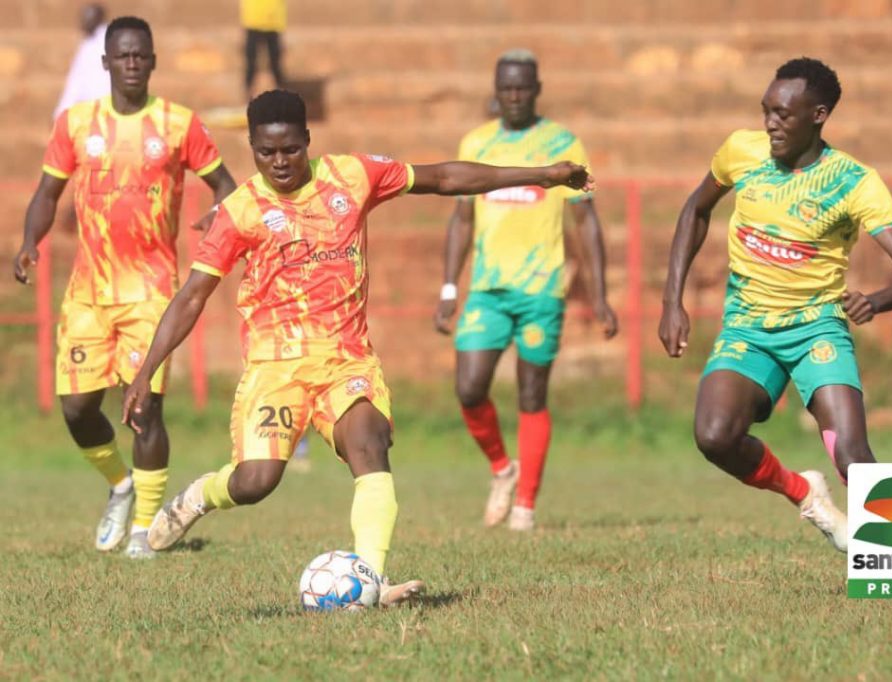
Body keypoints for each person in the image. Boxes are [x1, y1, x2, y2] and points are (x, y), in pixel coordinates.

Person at [120, 89, 594, 605]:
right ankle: (199, 496)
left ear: (307, 140)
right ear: (252, 148)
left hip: (347, 360)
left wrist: (542, 175)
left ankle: (369, 579)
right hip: (276, 367)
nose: (279, 162)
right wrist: (147, 371)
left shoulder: (352, 176)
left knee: (370, 443)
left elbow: (443, 178)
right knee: (255, 482)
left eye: (290, 149)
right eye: (266, 152)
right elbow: (192, 296)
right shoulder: (240, 212)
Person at [658, 58, 892, 553]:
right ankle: (804, 493)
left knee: (852, 455)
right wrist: (671, 300)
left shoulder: (853, 181)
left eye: (783, 114)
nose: (770, 123)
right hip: (747, 328)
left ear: (818, 115)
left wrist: (875, 300)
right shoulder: (741, 151)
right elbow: (695, 210)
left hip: (817, 329)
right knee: (715, 437)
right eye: (766, 111)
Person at [14, 16, 237, 559]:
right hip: (88, 292)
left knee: (143, 411)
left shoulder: (179, 123)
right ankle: (120, 485)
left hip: (151, 292)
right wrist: (29, 241)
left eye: (141, 55)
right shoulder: (75, 123)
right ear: (106, 63)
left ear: (152, 61)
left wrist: (220, 213)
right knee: (76, 407)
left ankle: (144, 530)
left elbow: (225, 185)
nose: (132, 63)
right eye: (123, 55)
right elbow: (47, 193)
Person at [433, 49, 617, 532]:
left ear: (537, 90)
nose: (513, 95)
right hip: (488, 290)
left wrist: (600, 295)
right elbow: (461, 220)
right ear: (496, 90)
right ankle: (502, 468)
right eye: (506, 88)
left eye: (522, 87)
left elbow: (586, 221)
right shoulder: (477, 141)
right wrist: (449, 287)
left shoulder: (562, 143)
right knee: (469, 387)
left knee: (532, 394)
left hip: (542, 291)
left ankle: (525, 507)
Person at [54, 3, 109, 119]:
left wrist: (59, 114)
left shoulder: (104, 43)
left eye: (89, 17)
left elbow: (75, 82)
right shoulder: (88, 44)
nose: (85, 21)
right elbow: (75, 83)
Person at [241, 0, 286, 100]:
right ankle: (248, 94)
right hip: (253, 22)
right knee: (251, 63)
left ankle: (282, 95)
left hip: (273, 23)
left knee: (275, 63)